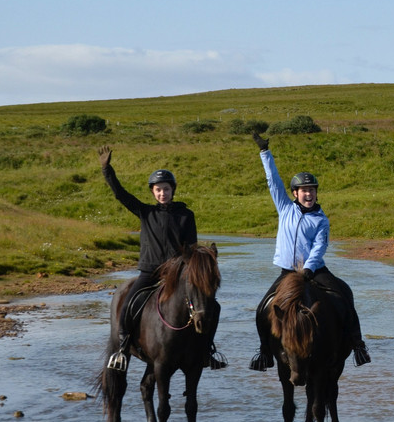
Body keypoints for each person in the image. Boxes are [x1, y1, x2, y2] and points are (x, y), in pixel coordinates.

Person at [248, 131, 370, 370]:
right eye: (304, 190)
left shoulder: (321, 219)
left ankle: (357, 344)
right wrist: (265, 152)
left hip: (313, 271)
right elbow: (273, 180)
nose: (309, 193)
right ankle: (264, 352)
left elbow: (319, 246)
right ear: (295, 194)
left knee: (344, 293)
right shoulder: (284, 208)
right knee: (263, 307)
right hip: (287, 273)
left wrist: (308, 268)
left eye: (312, 190)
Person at [99, 146, 224, 371]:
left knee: (212, 306)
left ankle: (207, 350)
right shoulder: (146, 212)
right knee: (128, 302)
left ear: (172, 190)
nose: (162, 193)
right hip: (150, 271)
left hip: (177, 274)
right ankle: (123, 347)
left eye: (165, 189)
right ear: (153, 192)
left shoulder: (186, 215)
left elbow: (191, 248)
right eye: (158, 190)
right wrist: (107, 170)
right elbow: (121, 195)